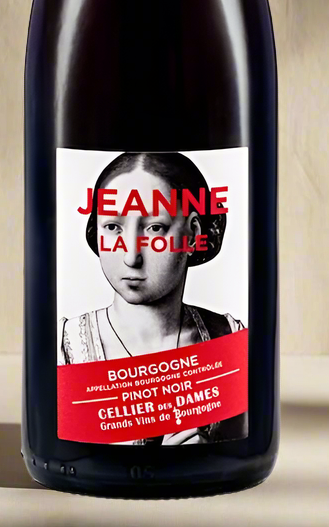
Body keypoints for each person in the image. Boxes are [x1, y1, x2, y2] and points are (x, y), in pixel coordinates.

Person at [59, 151, 247, 445]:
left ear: (193, 233)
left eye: (155, 228)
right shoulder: (64, 348)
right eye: (113, 227)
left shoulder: (229, 339)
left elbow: (244, 441)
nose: (131, 256)